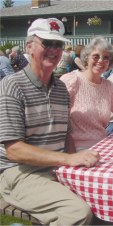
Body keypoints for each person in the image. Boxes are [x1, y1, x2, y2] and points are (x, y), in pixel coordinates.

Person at [0, 18, 99, 225]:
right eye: (47, 42)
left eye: (58, 44)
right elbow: (14, 150)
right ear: (29, 47)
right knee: (77, 213)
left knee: (104, 197)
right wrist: (68, 160)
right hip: (19, 172)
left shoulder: (61, 89)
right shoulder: (12, 85)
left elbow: (66, 135)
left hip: (55, 166)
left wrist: (76, 162)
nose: (54, 49)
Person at [60, 36, 113, 151]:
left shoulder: (107, 86)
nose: (101, 60)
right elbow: (59, 121)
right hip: (75, 148)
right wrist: (71, 153)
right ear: (87, 58)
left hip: (102, 145)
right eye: (96, 56)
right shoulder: (71, 81)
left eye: (106, 58)